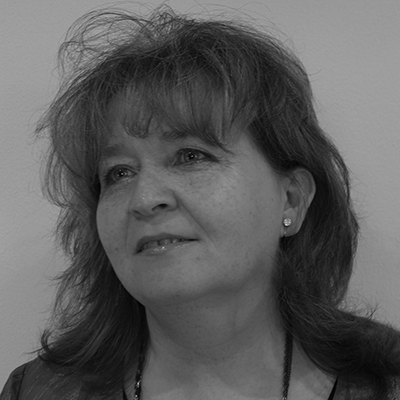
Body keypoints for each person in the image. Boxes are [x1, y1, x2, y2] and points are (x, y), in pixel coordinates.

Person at [1, 6, 400, 400]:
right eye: (118, 173)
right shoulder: (35, 392)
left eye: (191, 156)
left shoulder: (387, 383)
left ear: (291, 200)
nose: (145, 198)